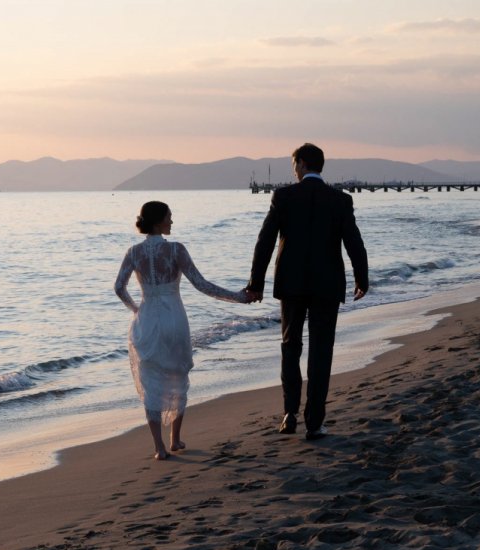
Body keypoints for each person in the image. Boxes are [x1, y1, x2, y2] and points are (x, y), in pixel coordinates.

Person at [245, 143, 369, 440]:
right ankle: (314, 422)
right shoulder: (340, 200)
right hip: (328, 284)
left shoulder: (284, 197)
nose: (293, 169)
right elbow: (354, 241)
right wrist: (362, 278)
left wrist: (256, 283)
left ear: (300, 164)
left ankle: (289, 413)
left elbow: (265, 241)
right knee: (321, 350)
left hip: (291, 283)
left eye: (293, 164)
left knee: (290, 345)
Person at [115, 201, 250, 460]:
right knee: (178, 375)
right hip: (174, 319)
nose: (172, 221)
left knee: (151, 380)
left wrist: (136, 309)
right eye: (169, 217)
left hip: (148, 318)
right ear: (158, 222)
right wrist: (239, 297)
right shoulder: (176, 250)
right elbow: (201, 284)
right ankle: (175, 439)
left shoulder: (133, 252)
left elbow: (119, 287)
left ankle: (159, 448)